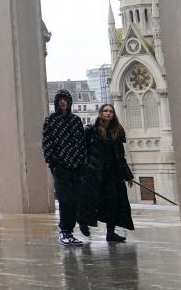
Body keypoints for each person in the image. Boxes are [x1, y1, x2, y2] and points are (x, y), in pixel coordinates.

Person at [79, 104, 135, 242]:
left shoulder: (117, 131)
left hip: (112, 173)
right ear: (100, 113)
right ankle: (83, 223)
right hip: (94, 172)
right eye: (105, 111)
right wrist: (85, 168)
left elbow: (120, 156)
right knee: (91, 200)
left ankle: (110, 233)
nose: (108, 113)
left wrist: (127, 175)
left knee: (113, 203)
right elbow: (83, 150)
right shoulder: (91, 129)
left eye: (110, 111)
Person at [42, 88, 88, 246]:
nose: (63, 102)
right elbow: (47, 144)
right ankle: (64, 231)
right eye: (60, 99)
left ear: (69, 102)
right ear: (57, 102)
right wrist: (53, 163)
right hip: (60, 167)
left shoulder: (75, 121)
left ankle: (70, 231)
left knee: (75, 200)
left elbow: (82, 143)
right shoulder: (51, 120)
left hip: (76, 167)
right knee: (65, 200)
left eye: (65, 99)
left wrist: (82, 162)